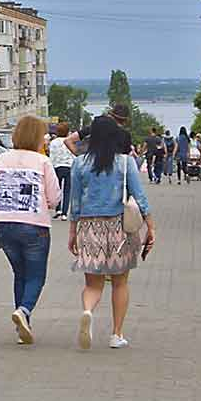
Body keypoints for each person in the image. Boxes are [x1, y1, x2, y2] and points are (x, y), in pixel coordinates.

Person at [69, 116, 155, 350]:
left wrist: (73, 231)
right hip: (119, 227)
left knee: (93, 284)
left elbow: (74, 200)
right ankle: (117, 334)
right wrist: (150, 226)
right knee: (120, 282)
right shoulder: (126, 163)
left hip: (89, 226)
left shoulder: (79, 163)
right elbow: (139, 196)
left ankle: (88, 311)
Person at [0, 116, 61, 345]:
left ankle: (22, 327)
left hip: (4, 225)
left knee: (20, 273)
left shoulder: (1, 160)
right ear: (39, 137)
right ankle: (25, 311)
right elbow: (55, 197)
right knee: (36, 275)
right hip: (34, 225)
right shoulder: (42, 162)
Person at [63, 104, 133, 156]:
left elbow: (68, 140)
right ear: (125, 121)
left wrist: (80, 157)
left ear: (110, 116)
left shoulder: (94, 128)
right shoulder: (125, 135)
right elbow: (126, 156)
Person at [49, 122, 75, 219]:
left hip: (57, 167)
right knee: (67, 190)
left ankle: (58, 209)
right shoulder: (71, 141)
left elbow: (52, 156)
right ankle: (64, 213)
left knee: (57, 188)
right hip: (69, 166)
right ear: (67, 132)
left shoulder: (53, 142)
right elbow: (74, 154)